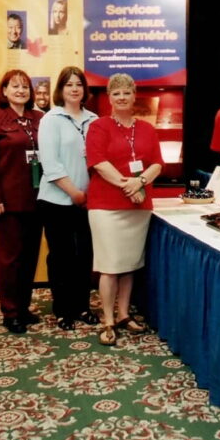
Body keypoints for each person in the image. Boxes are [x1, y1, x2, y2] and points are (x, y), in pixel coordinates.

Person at [87, 73, 162, 346]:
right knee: (109, 266)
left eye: (126, 92)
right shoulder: (98, 126)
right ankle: (107, 320)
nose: (121, 97)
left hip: (138, 208)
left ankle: (123, 314)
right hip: (106, 207)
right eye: (116, 93)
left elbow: (157, 163)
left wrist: (140, 182)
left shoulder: (147, 129)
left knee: (129, 264)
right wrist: (129, 185)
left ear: (134, 96)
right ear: (109, 98)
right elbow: (98, 162)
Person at [0, 69, 44, 333]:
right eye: (15, 86)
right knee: (9, 260)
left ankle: (23, 307)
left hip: (37, 199)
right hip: (7, 202)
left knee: (29, 256)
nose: (21, 91)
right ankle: (11, 312)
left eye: (25, 86)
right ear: (4, 91)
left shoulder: (39, 118)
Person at [38, 66, 100, 331]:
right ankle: (63, 310)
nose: (74, 89)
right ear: (60, 90)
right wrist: (74, 193)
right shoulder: (51, 119)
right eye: (69, 84)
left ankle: (82, 306)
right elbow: (50, 164)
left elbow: (100, 160)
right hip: (56, 201)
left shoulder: (95, 120)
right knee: (61, 256)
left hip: (88, 202)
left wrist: (88, 195)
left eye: (78, 84)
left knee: (85, 255)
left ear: (85, 89)